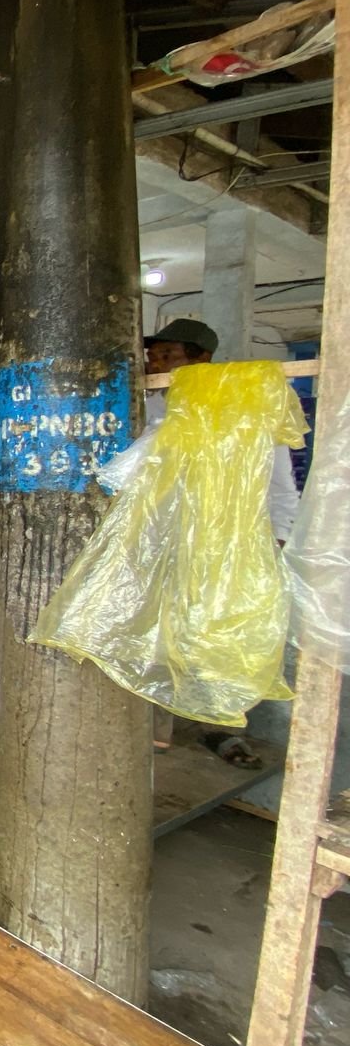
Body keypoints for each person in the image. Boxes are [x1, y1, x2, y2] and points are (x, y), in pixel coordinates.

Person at [144, 318, 298, 767]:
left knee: (223, 635)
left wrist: (279, 538)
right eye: (154, 355)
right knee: (160, 637)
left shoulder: (243, 405)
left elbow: (278, 482)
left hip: (229, 546)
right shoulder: (154, 408)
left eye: (168, 355)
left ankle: (223, 728)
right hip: (168, 542)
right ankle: (156, 731)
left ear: (201, 359)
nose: (157, 362)